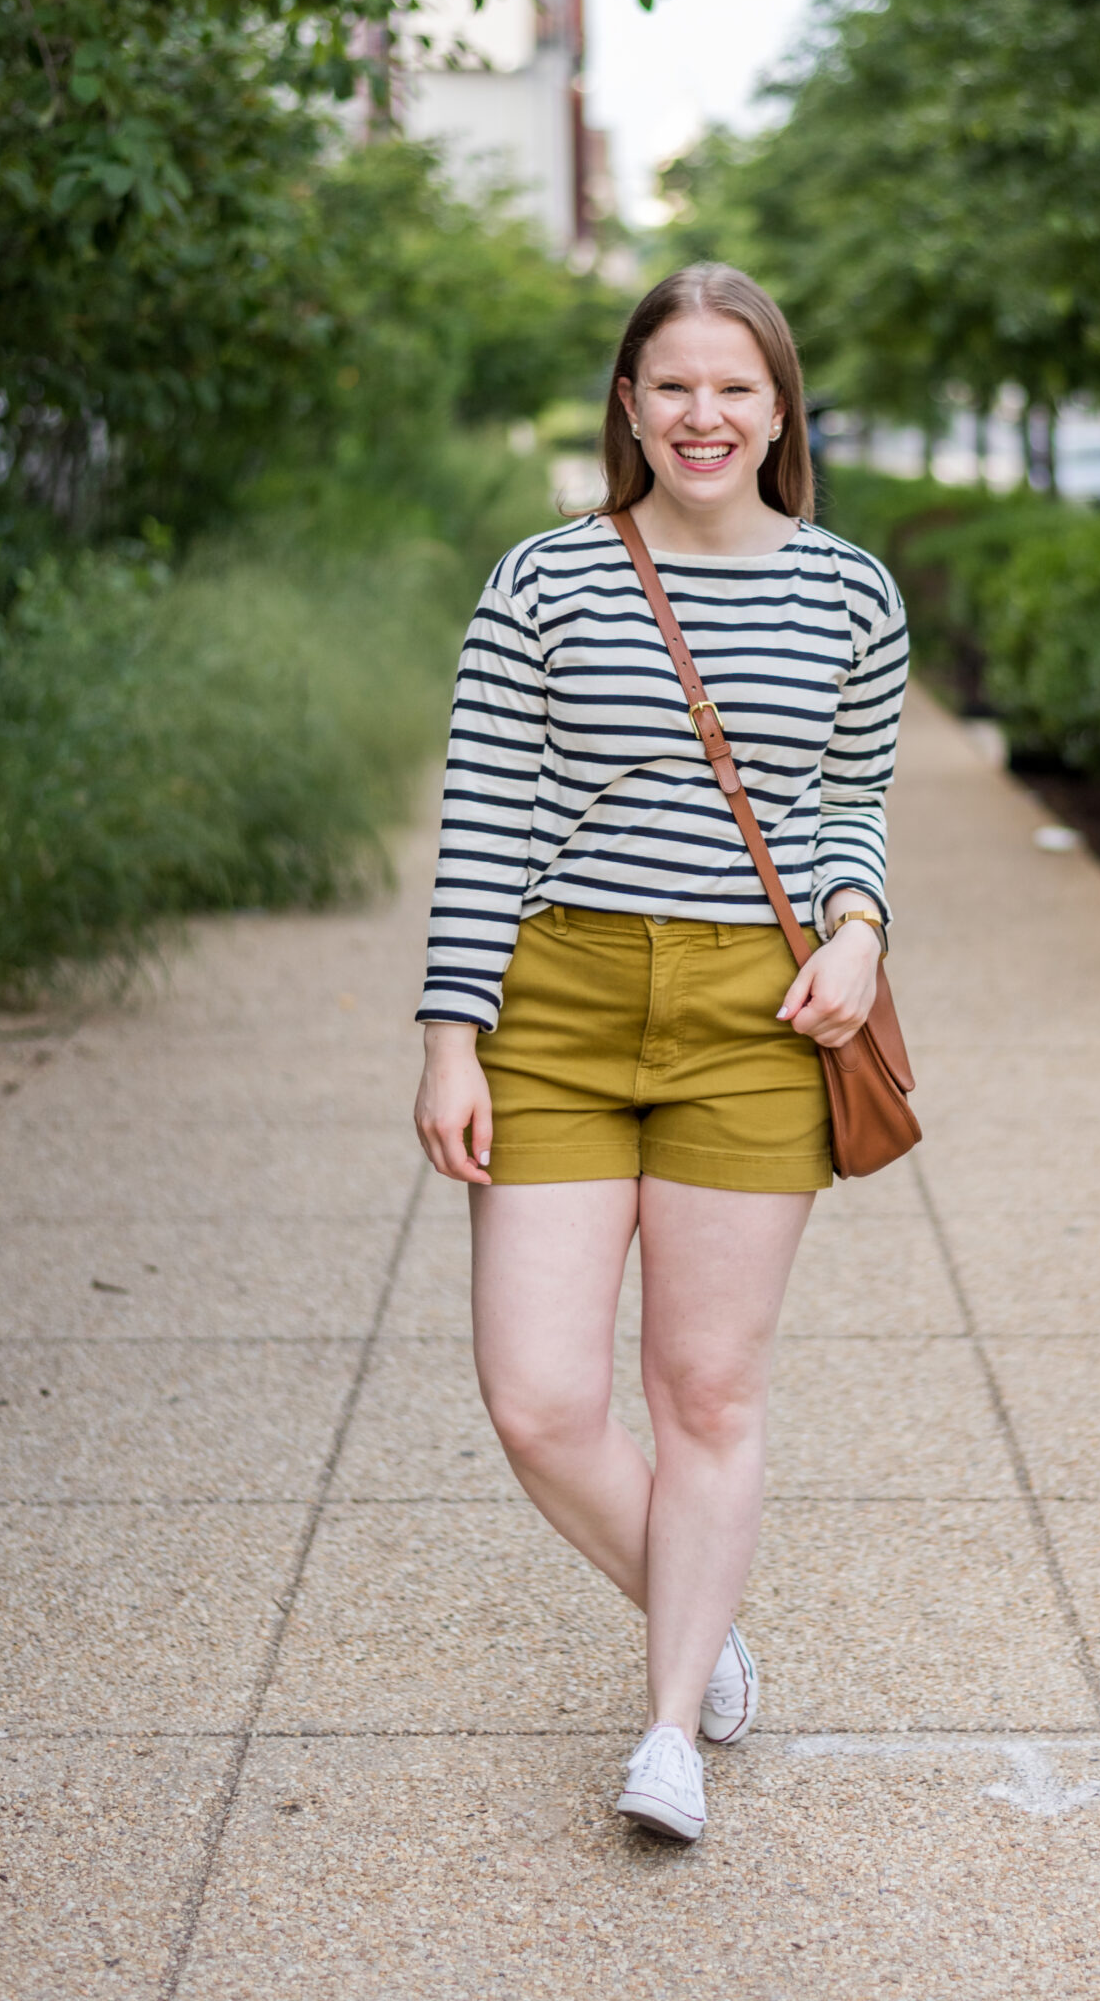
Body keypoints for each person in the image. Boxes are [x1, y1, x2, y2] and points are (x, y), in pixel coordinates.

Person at [412, 263, 910, 1844]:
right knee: (538, 1398)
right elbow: (484, 818)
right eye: (672, 385)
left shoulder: (849, 592)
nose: (704, 415)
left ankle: (668, 1725)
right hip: (557, 1004)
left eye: (734, 387)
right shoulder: (543, 580)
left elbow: (851, 804)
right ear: (628, 404)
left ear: (779, 410)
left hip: (755, 1019)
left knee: (704, 1388)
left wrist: (858, 929)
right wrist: (452, 1037)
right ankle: (703, 1617)